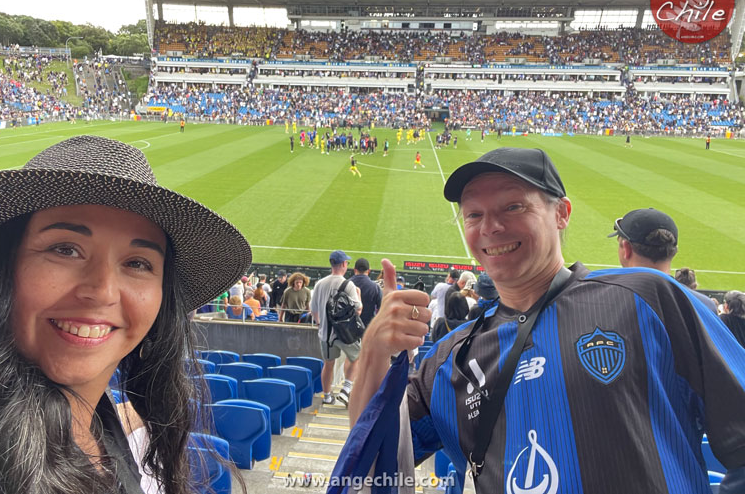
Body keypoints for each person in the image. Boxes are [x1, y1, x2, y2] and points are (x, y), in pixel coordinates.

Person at [349, 147, 745, 493]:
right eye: (473, 215)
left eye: (513, 206)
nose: (489, 227)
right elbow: (371, 461)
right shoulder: (451, 358)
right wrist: (373, 351)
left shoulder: (648, 300)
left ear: (562, 213)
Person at [0, 135, 252, 494]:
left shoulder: (101, 427)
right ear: (1, 268)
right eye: (65, 249)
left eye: (138, 263)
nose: (103, 291)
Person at [310, 250, 362, 406]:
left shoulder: (319, 284)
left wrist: (320, 324)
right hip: (345, 333)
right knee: (357, 358)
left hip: (325, 335)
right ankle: (346, 390)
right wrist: (358, 296)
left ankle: (327, 396)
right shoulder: (349, 285)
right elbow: (358, 309)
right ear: (344, 264)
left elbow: (313, 310)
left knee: (328, 363)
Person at [349, 258, 382, 328]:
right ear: (369, 271)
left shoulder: (346, 285)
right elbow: (381, 308)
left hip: (349, 328)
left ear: (355, 270)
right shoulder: (375, 287)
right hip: (368, 327)